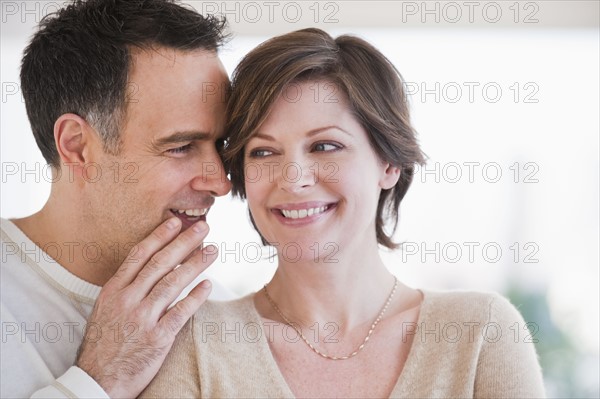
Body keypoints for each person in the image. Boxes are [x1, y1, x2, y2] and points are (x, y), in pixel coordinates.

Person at [142, 28, 546, 398]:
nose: (294, 179)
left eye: (325, 146)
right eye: (264, 151)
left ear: (388, 163)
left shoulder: (481, 334)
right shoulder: (194, 341)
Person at [0, 0, 234, 397]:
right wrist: (102, 378)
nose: (220, 183)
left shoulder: (215, 311)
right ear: (77, 147)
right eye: (180, 147)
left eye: (220, 143)